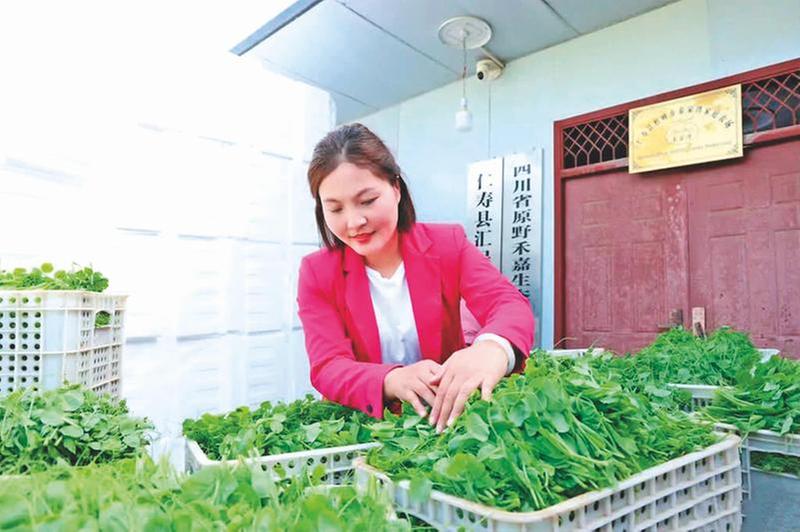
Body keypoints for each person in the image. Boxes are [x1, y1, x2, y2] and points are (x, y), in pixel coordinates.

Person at [296, 123, 534, 432]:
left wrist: (491, 349)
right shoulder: (317, 273)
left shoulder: (448, 244)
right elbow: (328, 366)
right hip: (368, 428)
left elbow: (507, 303)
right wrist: (391, 379)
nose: (354, 222)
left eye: (367, 200)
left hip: (449, 422)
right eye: (335, 208)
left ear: (395, 189)